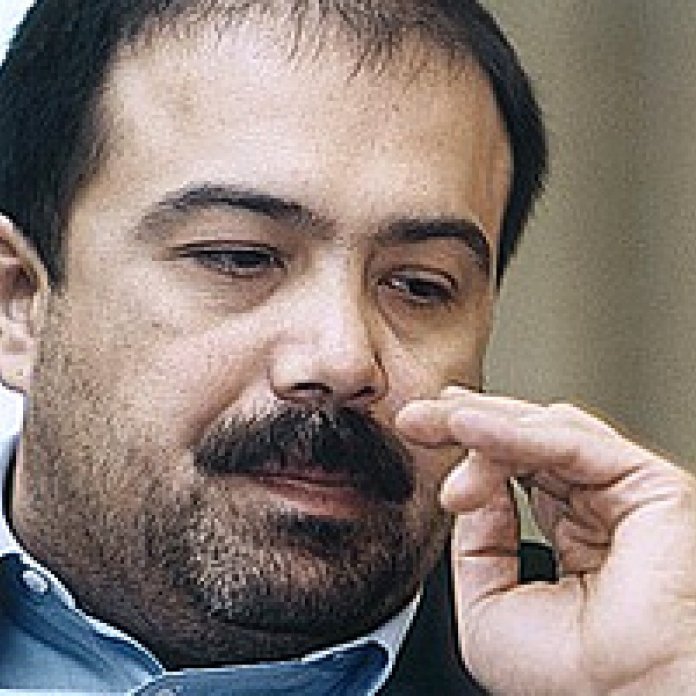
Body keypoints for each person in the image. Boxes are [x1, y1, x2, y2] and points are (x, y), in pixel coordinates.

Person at [0, 1, 695, 694]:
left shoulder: (606, 660)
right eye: (241, 258)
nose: (343, 359)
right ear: (19, 302)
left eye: (420, 286)